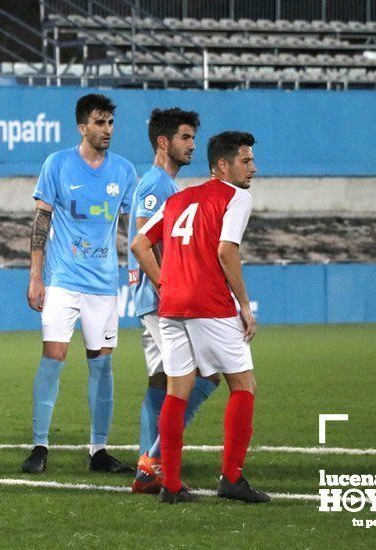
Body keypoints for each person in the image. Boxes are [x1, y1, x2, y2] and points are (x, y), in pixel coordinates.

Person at [131, 131, 270, 504]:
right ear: (223, 165)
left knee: (178, 391)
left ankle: (171, 486)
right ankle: (232, 478)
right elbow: (226, 251)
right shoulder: (237, 196)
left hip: (172, 305)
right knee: (243, 384)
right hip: (209, 303)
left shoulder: (179, 198)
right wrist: (244, 305)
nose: (253, 168)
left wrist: (165, 283)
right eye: (246, 161)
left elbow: (139, 244)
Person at [22, 94, 137, 474]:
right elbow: (41, 222)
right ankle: (39, 446)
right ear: (82, 127)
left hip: (103, 286)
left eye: (110, 123)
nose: (106, 130)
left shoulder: (123, 171)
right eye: (99, 123)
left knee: (102, 367)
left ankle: (98, 450)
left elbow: (136, 228)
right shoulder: (57, 164)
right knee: (52, 359)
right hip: (61, 281)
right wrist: (36, 276)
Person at [127, 108, 221, 494]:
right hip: (162, 301)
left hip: (152, 300)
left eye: (193, 138)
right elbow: (142, 242)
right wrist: (168, 286)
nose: (192, 145)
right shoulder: (156, 186)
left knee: (161, 381)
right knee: (208, 373)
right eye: (185, 137)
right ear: (163, 142)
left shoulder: (163, 185)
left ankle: (147, 466)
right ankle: (154, 461)